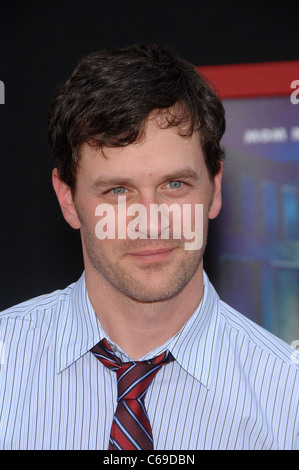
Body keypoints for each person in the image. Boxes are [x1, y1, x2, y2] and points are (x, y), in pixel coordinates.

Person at [0, 43, 298, 451]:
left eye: (175, 185)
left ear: (214, 189)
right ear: (68, 200)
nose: (151, 220)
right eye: (118, 190)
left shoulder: (289, 399)